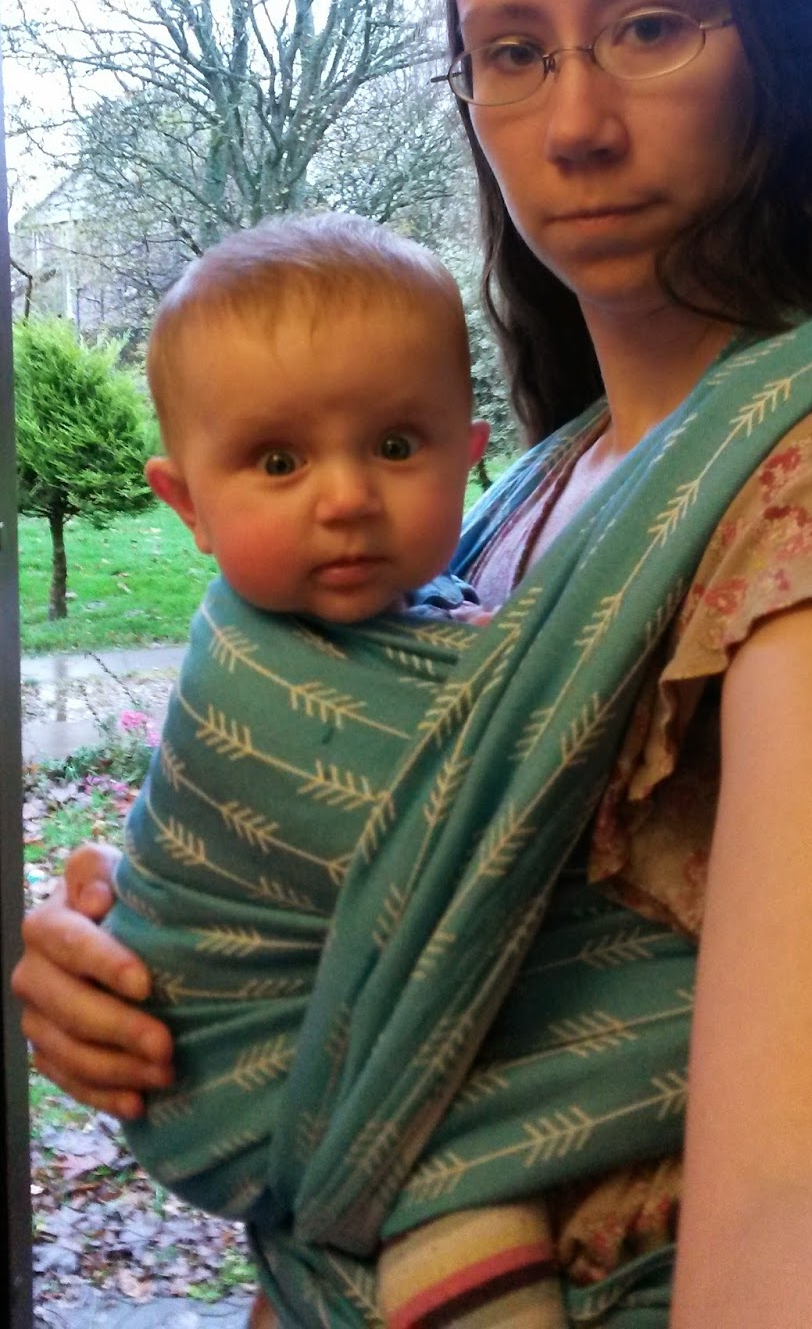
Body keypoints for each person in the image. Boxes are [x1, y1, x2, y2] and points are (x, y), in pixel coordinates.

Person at [14, 0, 812, 1329]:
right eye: (514, 53)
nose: (575, 123)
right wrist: (152, 956)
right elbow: (411, 887)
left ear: (783, 53)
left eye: (651, 27)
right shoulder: (530, 483)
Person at [106, 209, 569, 1328]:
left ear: (468, 456)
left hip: (346, 1044)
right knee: (474, 1218)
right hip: (244, 1067)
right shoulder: (251, 678)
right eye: (279, 461)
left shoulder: (438, 612)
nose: (350, 496)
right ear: (188, 505)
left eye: (397, 447)